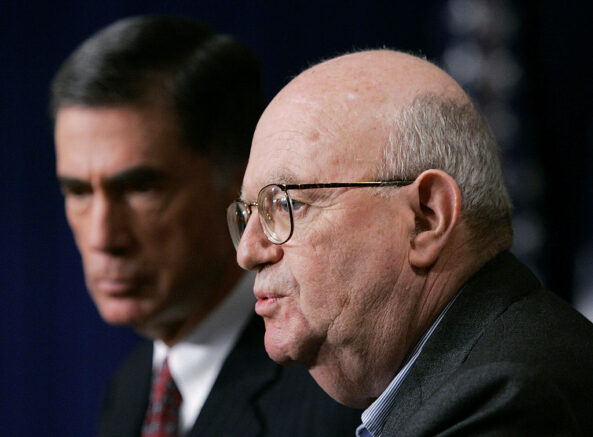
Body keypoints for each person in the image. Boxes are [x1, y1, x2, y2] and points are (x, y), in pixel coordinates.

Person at [228, 49, 593, 436]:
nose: (247, 252)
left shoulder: (510, 401)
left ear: (426, 218)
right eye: (249, 213)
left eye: (288, 204)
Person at [50, 16, 361, 437]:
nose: (103, 238)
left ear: (239, 180)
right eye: (79, 192)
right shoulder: (132, 387)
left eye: (142, 187)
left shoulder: (336, 395)